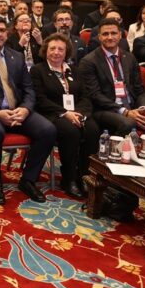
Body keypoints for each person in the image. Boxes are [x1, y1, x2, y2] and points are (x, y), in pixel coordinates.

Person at [0, 16, 56, 204]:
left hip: (17, 110)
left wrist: (25, 109)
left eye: (1, 30)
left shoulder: (17, 56)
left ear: (7, 33)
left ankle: (28, 179)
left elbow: (29, 89)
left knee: (48, 130)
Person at [30, 33, 99, 199]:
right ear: (45, 50)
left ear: (66, 52)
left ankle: (85, 176)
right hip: (52, 113)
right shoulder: (38, 70)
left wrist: (80, 114)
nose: (56, 52)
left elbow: (85, 96)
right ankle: (69, 178)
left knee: (92, 130)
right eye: (52, 48)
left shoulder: (74, 70)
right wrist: (65, 113)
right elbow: (40, 99)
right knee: (71, 131)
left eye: (60, 49)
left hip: (77, 113)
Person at [79, 18, 145, 136]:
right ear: (99, 37)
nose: (110, 37)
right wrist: (125, 112)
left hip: (132, 106)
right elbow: (95, 95)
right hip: (105, 109)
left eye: (114, 33)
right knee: (128, 123)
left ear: (120, 35)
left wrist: (144, 108)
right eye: (105, 34)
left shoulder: (130, 57)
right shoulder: (89, 61)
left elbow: (139, 89)